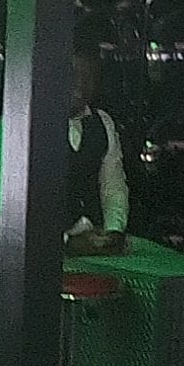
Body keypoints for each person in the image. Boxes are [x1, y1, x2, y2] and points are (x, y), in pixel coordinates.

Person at [67, 29, 128, 253]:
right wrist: (65, 241)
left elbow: (113, 185)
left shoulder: (103, 122)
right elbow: (3, 205)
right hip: (35, 258)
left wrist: (114, 231)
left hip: (92, 253)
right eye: (74, 74)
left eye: (90, 77)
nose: (81, 85)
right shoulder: (20, 124)